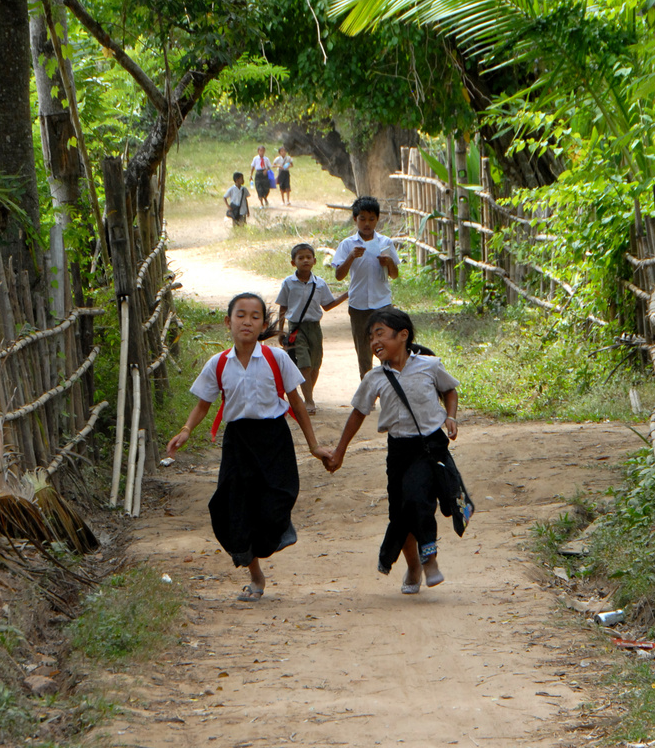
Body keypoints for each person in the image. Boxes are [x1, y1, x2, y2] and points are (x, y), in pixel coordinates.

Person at [166, 293, 331, 603]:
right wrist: (186, 431)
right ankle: (255, 574)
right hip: (238, 441)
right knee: (234, 508)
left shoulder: (277, 358)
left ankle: (280, 529)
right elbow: (204, 404)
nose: (247, 321)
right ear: (228, 322)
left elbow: (295, 401)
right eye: (240, 315)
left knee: (279, 497)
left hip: (274, 438)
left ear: (263, 324)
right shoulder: (218, 363)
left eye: (255, 316)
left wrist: (314, 446)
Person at [325, 308, 460, 593]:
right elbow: (358, 413)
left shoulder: (429, 365)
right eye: (371, 336)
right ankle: (413, 566)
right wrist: (339, 451)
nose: (374, 342)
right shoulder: (374, 378)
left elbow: (449, 390)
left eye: (380, 334)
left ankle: (430, 561)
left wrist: (451, 416)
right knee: (400, 512)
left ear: (403, 335)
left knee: (418, 499)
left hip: (429, 446)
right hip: (399, 449)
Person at [276, 243, 347, 416]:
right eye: (300, 258)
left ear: (314, 261)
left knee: (315, 364)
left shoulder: (320, 284)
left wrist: (345, 296)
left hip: (315, 328)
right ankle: (308, 400)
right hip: (295, 329)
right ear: (293, 263)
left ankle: (308, 394)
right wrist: (280, 330)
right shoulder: (288, 283)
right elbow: (283, 308)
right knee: (304, 364)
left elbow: (328, 305)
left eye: (308, 257)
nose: (305, 261)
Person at [332, 195, 400, 377]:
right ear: (355, 219)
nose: (367, 223)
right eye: (362, 219)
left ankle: (389, 389)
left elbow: (394, 275)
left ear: (378, 219)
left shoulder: (385, 243)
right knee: (363, 351)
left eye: (371, 219)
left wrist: (389, 263)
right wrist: (351, 257)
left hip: (382, 303)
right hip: (358, 305)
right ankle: (368, 393)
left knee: (386, 348)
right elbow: (339, 276)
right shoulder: (347, 245)